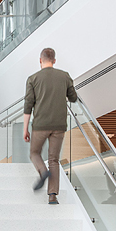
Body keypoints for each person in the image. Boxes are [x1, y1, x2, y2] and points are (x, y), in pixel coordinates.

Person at [23, 48, 77, 204]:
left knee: (34, 153)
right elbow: (73, 98)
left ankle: (43, 172)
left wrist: (25, 128)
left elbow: (28, 105)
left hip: (40, 125)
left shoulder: (33, 79)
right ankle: (53, 195)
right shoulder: (64, 76)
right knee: (54, 159)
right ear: (54, 60)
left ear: (40, 60)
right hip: (59, 125)